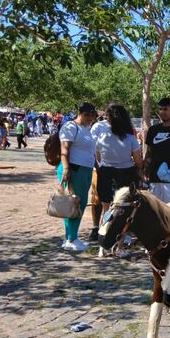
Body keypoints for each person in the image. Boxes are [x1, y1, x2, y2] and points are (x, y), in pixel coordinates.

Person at [92, 104, 143, 237]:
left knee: (106, 207)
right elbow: (138, 160)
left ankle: (103, 235)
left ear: (108, 118)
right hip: (125, 174)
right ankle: (123, 236)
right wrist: (139, 168)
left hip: (105, 173)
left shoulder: (102, 137)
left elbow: (98, 157)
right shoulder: (130, 138)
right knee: (124, 207)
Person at [58, 103, 99, 251]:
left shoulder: (87, 129)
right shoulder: (70, 127)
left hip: (85, 170)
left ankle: (70, 236)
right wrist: (66, 169)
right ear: (79, 113)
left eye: (91, 115)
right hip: (73, 169)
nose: (89, 117)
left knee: (78, 204)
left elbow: (90, 152)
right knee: (74, 203)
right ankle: (71, 238)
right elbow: (65, 148)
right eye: (86, 114)